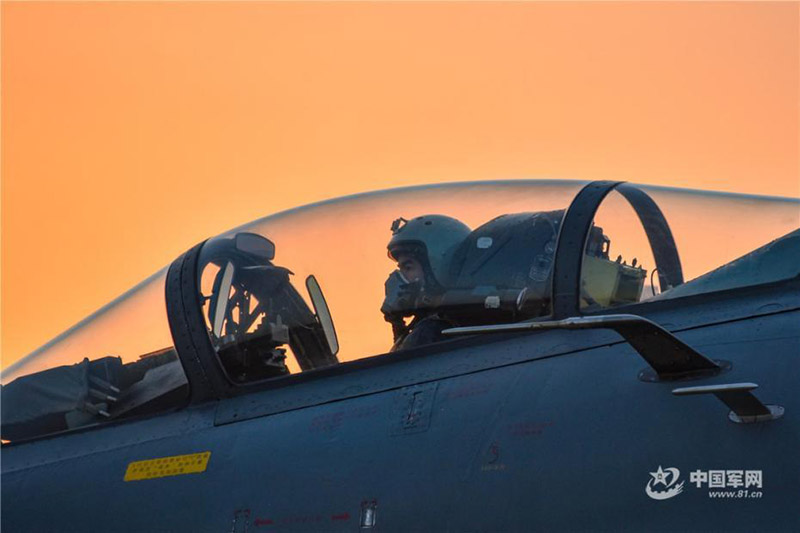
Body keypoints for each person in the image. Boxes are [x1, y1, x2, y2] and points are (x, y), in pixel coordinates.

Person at [380, 215, 471, 351]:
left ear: (439, 267)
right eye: (400, 269)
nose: (398, 277)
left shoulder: (431, 332)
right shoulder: (452, 326)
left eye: (408, 267)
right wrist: (397, 323)